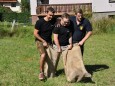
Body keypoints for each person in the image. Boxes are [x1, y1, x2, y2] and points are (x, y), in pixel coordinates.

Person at [34, 7, 56, 80]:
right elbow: (35, 34)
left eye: (52, 15)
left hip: (49, 41)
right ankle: (41, 73)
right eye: (50, 15)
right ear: (46, 13)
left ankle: (50, 72)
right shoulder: (40, 22)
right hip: (39, 41)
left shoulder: (53, 21)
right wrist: (43, 41)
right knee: (43, 55)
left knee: (51, 57)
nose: (51, 17)